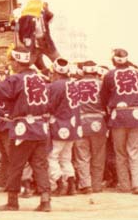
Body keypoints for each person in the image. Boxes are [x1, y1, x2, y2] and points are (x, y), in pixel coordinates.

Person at [0, 47, 52, 212]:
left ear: (17, 62)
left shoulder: (15, 79)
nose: (11, 64)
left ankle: (12, 202)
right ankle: (45, 201)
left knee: (16, 164)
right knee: (40, 165)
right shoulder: (40, 78)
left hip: (23, 128)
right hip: (41, 127)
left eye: (12, 61)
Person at [101, 48, 138, 194]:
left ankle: (124, 185)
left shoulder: (109, 75)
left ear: (114, 60)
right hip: (135, 114)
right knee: (134, 151)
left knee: (120, 152)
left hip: (117, 115)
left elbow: (104, 97)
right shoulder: (136, 73)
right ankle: (137, 184)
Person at [47, 58, 80, 196]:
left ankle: (59, 183)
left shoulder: (56, 85)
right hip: (73, 125)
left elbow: (50, 106)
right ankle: (71, 185)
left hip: (59, 124)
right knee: (66, 157)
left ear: (55, 71)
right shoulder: (74, 84)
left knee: (51, 156)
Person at [74, 60, 107, 193]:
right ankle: (97, 185)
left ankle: (86, 185)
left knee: (82, 156)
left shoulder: (75, 84)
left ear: (83, 72)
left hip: (81, 121)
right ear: (96, 71)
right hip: (98, 121)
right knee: (98, 155)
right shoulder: (101, 84)